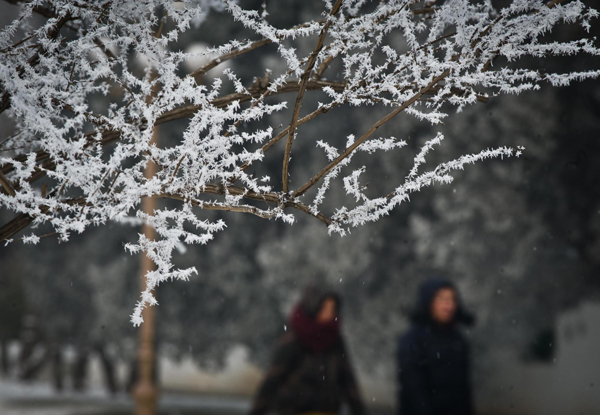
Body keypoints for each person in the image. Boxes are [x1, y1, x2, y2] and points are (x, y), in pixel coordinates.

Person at [249, 283, 366, 415]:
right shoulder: (294, 340)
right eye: (324, 308)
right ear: (313, 308)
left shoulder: (335, 341)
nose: (328, 314)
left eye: (332, 309)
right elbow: (272, 381)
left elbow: (348, 382)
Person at [397, 278, 475, 415]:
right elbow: (413, 388)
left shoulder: (458, 340)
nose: (448, 306)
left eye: (452, 299)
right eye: (441, 299)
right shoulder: (413, 340)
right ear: (429, 302)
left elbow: (463, 390)